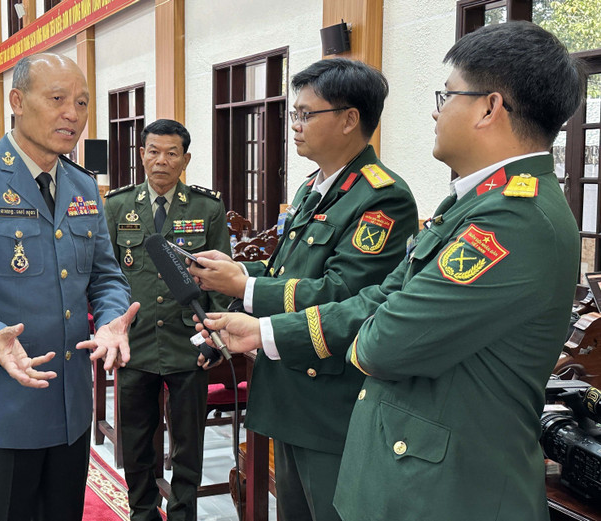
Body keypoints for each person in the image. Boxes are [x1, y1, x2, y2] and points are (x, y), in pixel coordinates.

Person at [195, 21, 585, 520]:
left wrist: (273, 309)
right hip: (408, 462)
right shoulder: (472, 204)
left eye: (447, 96)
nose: (436, 111)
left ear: (489, 108)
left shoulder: (513, 218)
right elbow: (381, 300)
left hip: (450, 486)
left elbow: (383, 340)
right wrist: (265, 329)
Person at [188, 58, 417, 521]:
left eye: (306, 114)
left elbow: (344, 292)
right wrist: (239, 270)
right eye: (293, 113)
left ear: (350, 118)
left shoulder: (382, 196)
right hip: (287, 384)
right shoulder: (316, 186)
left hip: (330, 400)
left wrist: (246, 285)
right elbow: (288, 268)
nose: (294, 125)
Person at [0, 53, 137, 521]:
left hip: (68, 410)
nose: (72, 114)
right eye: (57, 99)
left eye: (81, 102)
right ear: (17, 101)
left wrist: (113, 319)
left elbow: (106, 276)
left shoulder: (82, 186)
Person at [103, 119, 231, 521]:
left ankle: (182, 513)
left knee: (188, 443)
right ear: (141, 154)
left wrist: (215, 335)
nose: (161, 161)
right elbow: (105, 275)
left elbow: (221, 283)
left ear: (185, 159)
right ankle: (142, 511)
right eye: (153, 151)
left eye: (171, 153)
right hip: (135, 344)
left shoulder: (206, 208)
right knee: (137, 441)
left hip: (186, 344)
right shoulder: (118, 206)